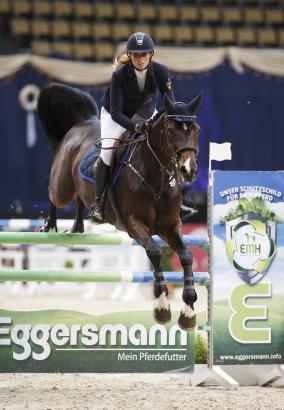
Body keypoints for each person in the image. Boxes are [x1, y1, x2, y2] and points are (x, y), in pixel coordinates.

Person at [88, 32, 196, 222]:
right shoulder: (119, 76)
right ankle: (99, 203)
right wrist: (136, 127)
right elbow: (116, 114)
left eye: (144, 54)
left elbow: (169, 105)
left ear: (151, 54)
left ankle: (177, 201)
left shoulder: (161, 71)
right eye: (136, 55)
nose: (140, 58)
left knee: (166, 147)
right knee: (107, 152)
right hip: (116, 115)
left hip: (145, 111)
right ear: (129, 56)